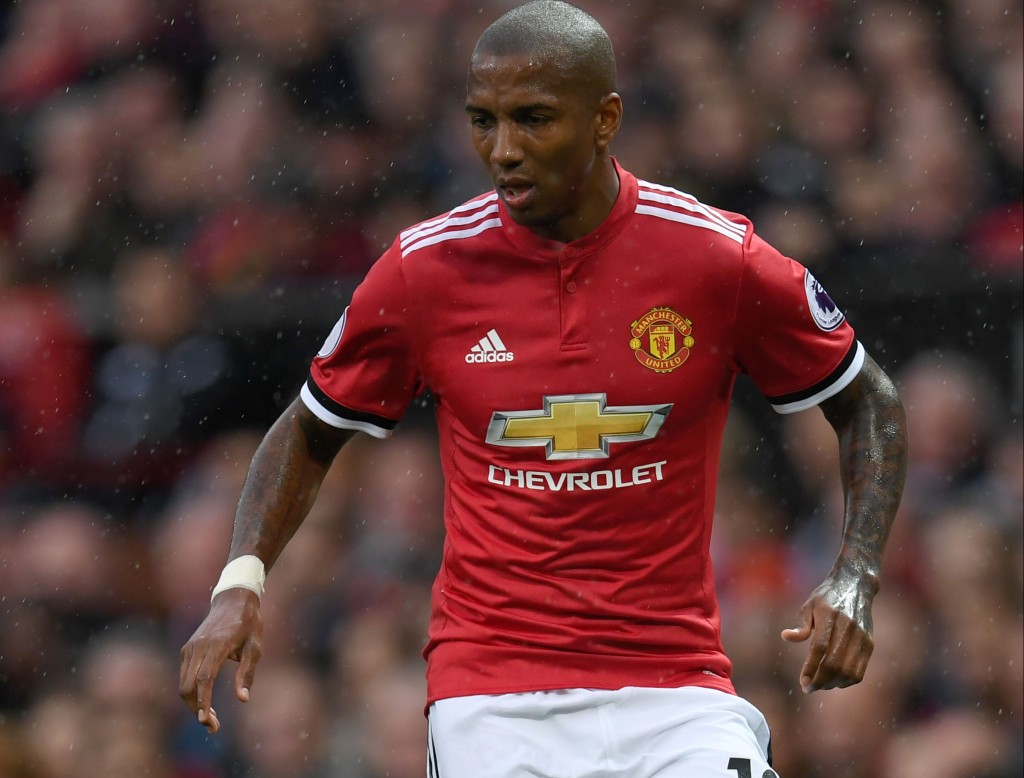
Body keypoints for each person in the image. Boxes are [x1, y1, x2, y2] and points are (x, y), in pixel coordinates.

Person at [178, 2, 908, 775]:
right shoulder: (425, 270)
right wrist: (240, 582)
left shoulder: (715, 257)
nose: (504, 150)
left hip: (675, 688)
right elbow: (307, 428)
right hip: (493, 696)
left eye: (533, 119)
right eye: (483, 121)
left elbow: (868, 401)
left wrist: (856, 573)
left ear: (605, 119)